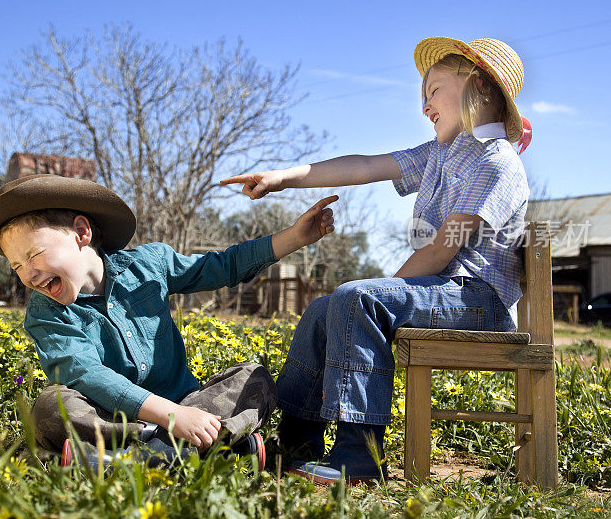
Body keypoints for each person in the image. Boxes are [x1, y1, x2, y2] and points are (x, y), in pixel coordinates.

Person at [220, 37, 531, 484]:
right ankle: (298, 442)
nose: (425, 106)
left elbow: (445, 247)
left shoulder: (496, 160)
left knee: (358, 298)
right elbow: (363, 166)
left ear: (477, 84)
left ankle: (359, 454)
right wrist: (281, 177)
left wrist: (379, 293)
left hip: (479, 299)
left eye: (434, 90)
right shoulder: (440, 153)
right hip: (443, 292)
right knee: (322, 310)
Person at [0, 173, 337, 468]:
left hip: (188, 403)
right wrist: (172, 419)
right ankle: (202, 452)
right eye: (16, 265)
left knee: (254, 378)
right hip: (117, 418)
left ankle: (122, 464)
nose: (27, 274)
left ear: (82, 233)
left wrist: (294, 238)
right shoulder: (45, 315)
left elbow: (219, 267)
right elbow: (86, 375)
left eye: (34, 255)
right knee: (52, 406)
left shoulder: (149, 263)